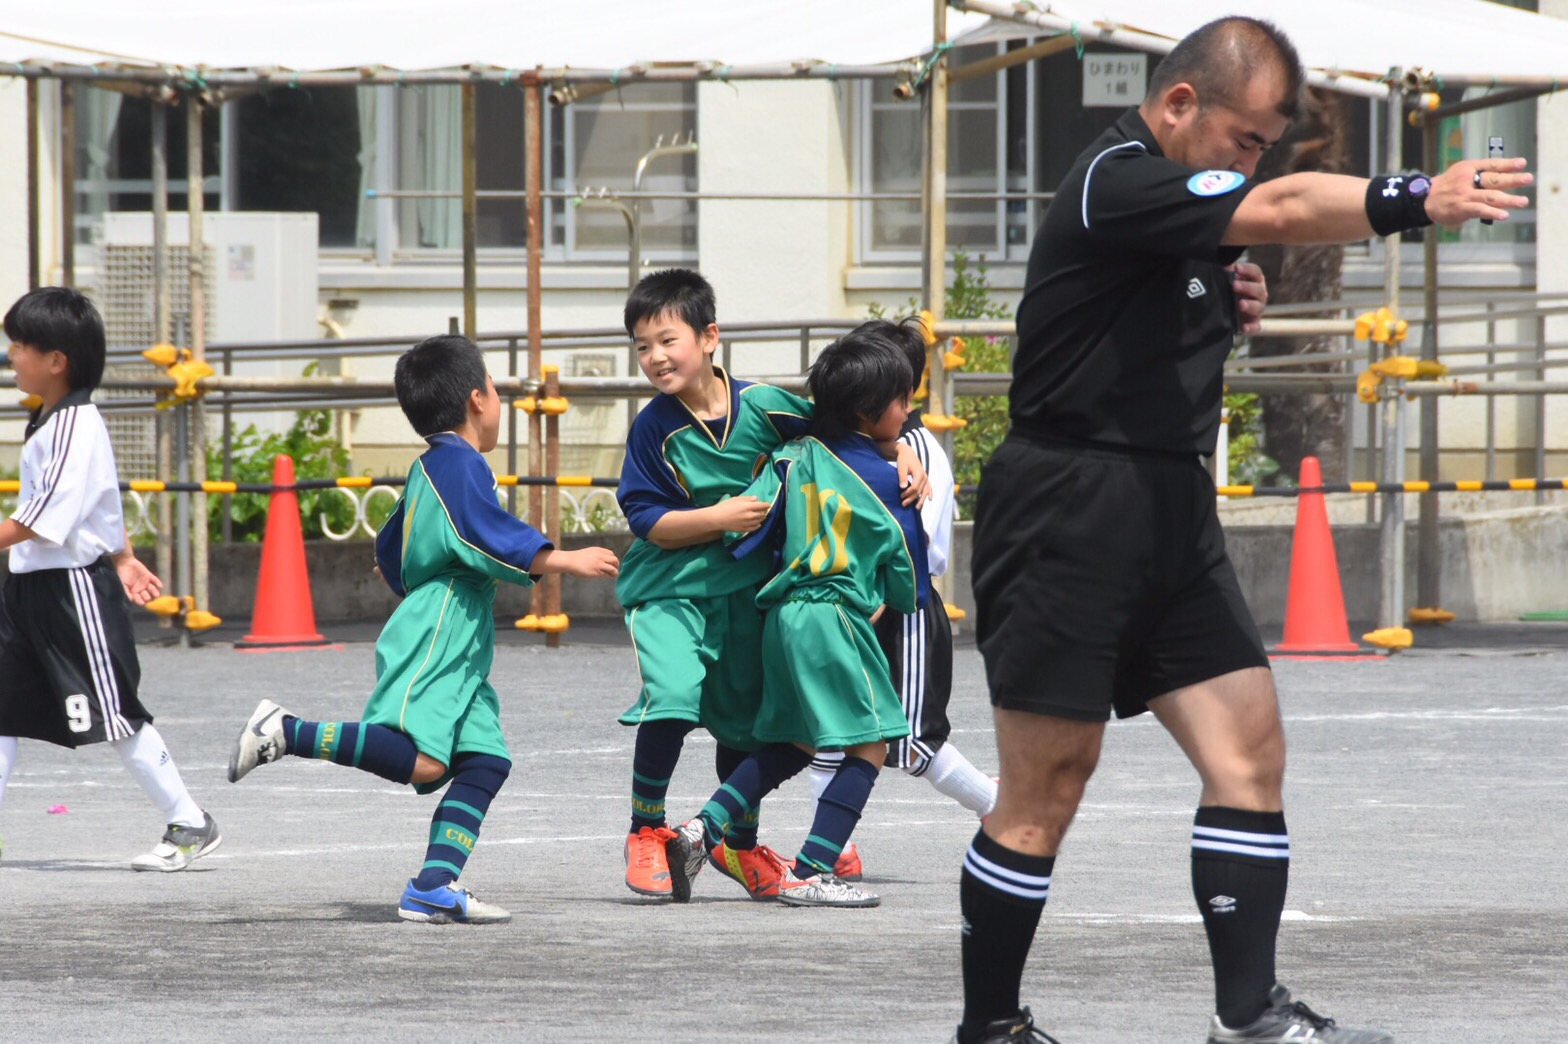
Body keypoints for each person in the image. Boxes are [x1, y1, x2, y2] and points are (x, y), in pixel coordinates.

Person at [956, 16, 1530, 1044]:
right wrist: (1414, 195)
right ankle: (989, 1026)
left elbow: (1211, 251)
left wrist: (1218, 295)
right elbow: (1274, 207)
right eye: (1243, 138)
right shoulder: (1115, 179)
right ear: (1178, 104)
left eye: (1263, 144)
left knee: (1247, 758)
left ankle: (1247, 1015)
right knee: (1045, 787)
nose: (1252, 160)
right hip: (1066, 511)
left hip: (1170, 510)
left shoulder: (1184, 210)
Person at [228, 334, 618, 924]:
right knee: (423, 760)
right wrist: (563, 559)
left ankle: (434, 883)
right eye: (494, 388)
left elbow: (390, 544)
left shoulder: (432, 464)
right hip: (442, 622)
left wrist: (402, 561)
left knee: (486, 759)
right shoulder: (460, 462)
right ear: (478, 399)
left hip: (456, 625)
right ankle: (286, 730)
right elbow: (477, 531)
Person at [614, 270, 928, 900]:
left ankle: (735, 845)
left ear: (710, 338)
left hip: (749, 593)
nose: (654, 357)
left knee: (747, 727)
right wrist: (719, 518)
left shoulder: (763, 405)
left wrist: (905, 451)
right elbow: (644, 518)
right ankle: (646, 829)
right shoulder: (654, 428)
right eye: (642, 346)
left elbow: (845, 426)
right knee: (673, 696)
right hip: (671, 586)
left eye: (666, 340)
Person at [0, 286, 220, 872]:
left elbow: (45, 519)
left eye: (20, 346)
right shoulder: (48, 419)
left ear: (56, 360)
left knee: (115, 711)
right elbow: (99, 499)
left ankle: (190, 820)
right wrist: (124, 555)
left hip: (72, 592)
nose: (11, 357)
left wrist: (112, 561)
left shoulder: (75, 424)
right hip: (27, 591)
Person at [806, 328, 997, 880]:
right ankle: (832, 846)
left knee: (912, 742)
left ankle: (995, 806)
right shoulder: (844, 447)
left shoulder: (920, 454)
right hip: (852, 603)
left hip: (903, 605)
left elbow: (910, 552)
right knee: (831, 729)